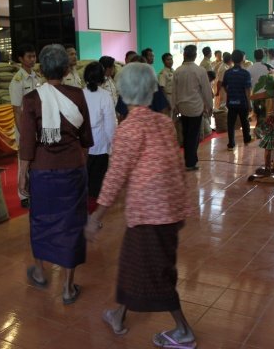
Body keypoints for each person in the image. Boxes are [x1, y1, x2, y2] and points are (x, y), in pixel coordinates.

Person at [85, 62, 198, 349]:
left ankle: (184, 331)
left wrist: (96, 215)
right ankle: (118, 315)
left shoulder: (129, 128)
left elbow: (115, 175)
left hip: (151, 214)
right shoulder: (163, 122)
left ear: (123, 92)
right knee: (133, 264)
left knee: (157, 273)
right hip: (169, 210)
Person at [18, 44, 93, 305]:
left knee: (40, 221)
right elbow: (86, 138)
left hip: (42, 170)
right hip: (73, 169)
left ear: (41, 68)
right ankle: (68, 288)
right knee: (72, 225)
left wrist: (22, 174)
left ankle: (40, 271)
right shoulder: (78, 95)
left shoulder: (31, 99)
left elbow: (27, 143)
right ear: (66, 68)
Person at [172, 44, 213, 170]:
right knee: (193, 135)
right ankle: (190, 162)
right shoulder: (200, 71)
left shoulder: (178, 70)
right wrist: (210, 106)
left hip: (182, 107)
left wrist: (175, 107)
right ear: (195, 56)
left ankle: (190, 160)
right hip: (196, 107)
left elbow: (174, 91)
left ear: (184, 55)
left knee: (186, 133)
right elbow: (206, 90)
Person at [10, 43, 41, 208]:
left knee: (35, 161)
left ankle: (33, 190)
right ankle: (22, 196)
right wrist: (23, 134)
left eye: (34, 56)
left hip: (38, 126)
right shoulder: (17, 81)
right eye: (29, 56)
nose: (32, 59)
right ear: (21, 59)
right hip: (25, 128)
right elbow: (16, 110)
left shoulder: (36, 77)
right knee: (24, 162)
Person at [82, 62, 116, 213]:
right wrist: (112, 144)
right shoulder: (105, 95)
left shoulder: (79, 94)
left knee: (85, 178)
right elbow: (110, 124)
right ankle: (92, 212)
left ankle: (83, 210)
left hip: (83, 145)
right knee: (97, 180)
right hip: (101, 145)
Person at [223, 50, 252, 150]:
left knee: (231, 123)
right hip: (242, 102)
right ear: (242, 59)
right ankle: (247, 139)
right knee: (244, 121)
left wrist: (230, 93)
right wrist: (249, 103)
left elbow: (224, 86)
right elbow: (247, 90)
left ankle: (231, 143)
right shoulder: (245, 73)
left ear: (232, 59)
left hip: (231, 102)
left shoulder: (227, 73)